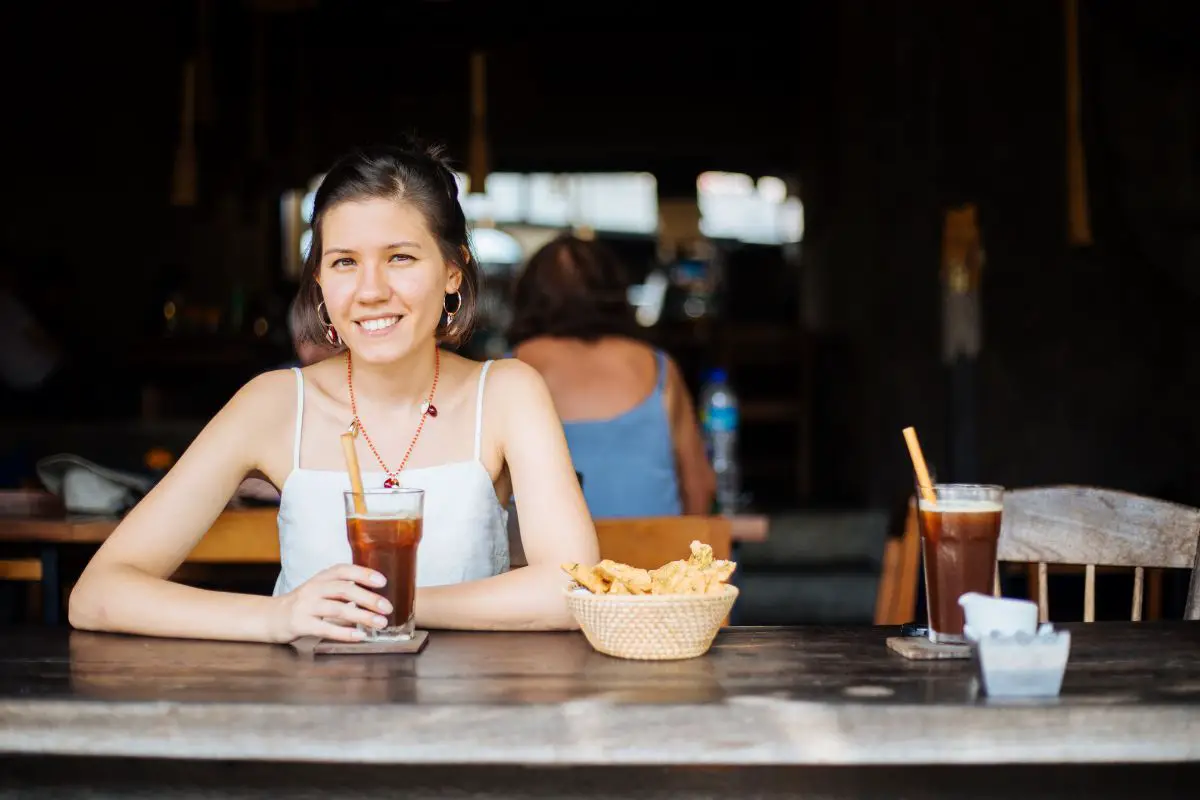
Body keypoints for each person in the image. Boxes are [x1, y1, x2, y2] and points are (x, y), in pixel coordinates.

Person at [69, 139, 599, 642]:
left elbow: (573, 589)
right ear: (320, 281)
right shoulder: (273, 403)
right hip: (307, 719)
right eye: (344, 261)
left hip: (464, 721)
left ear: (453, 272)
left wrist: (396, 603)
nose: (370, 291)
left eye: (400, 258)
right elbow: (97, 594)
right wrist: (280, 616)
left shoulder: (507, 393)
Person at [507, 235, 715, 519]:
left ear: (528, 296)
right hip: (658, 560)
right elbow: (700, 485)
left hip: (552, 564)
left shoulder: (509, 368)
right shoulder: (658, 366)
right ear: (615, 292)